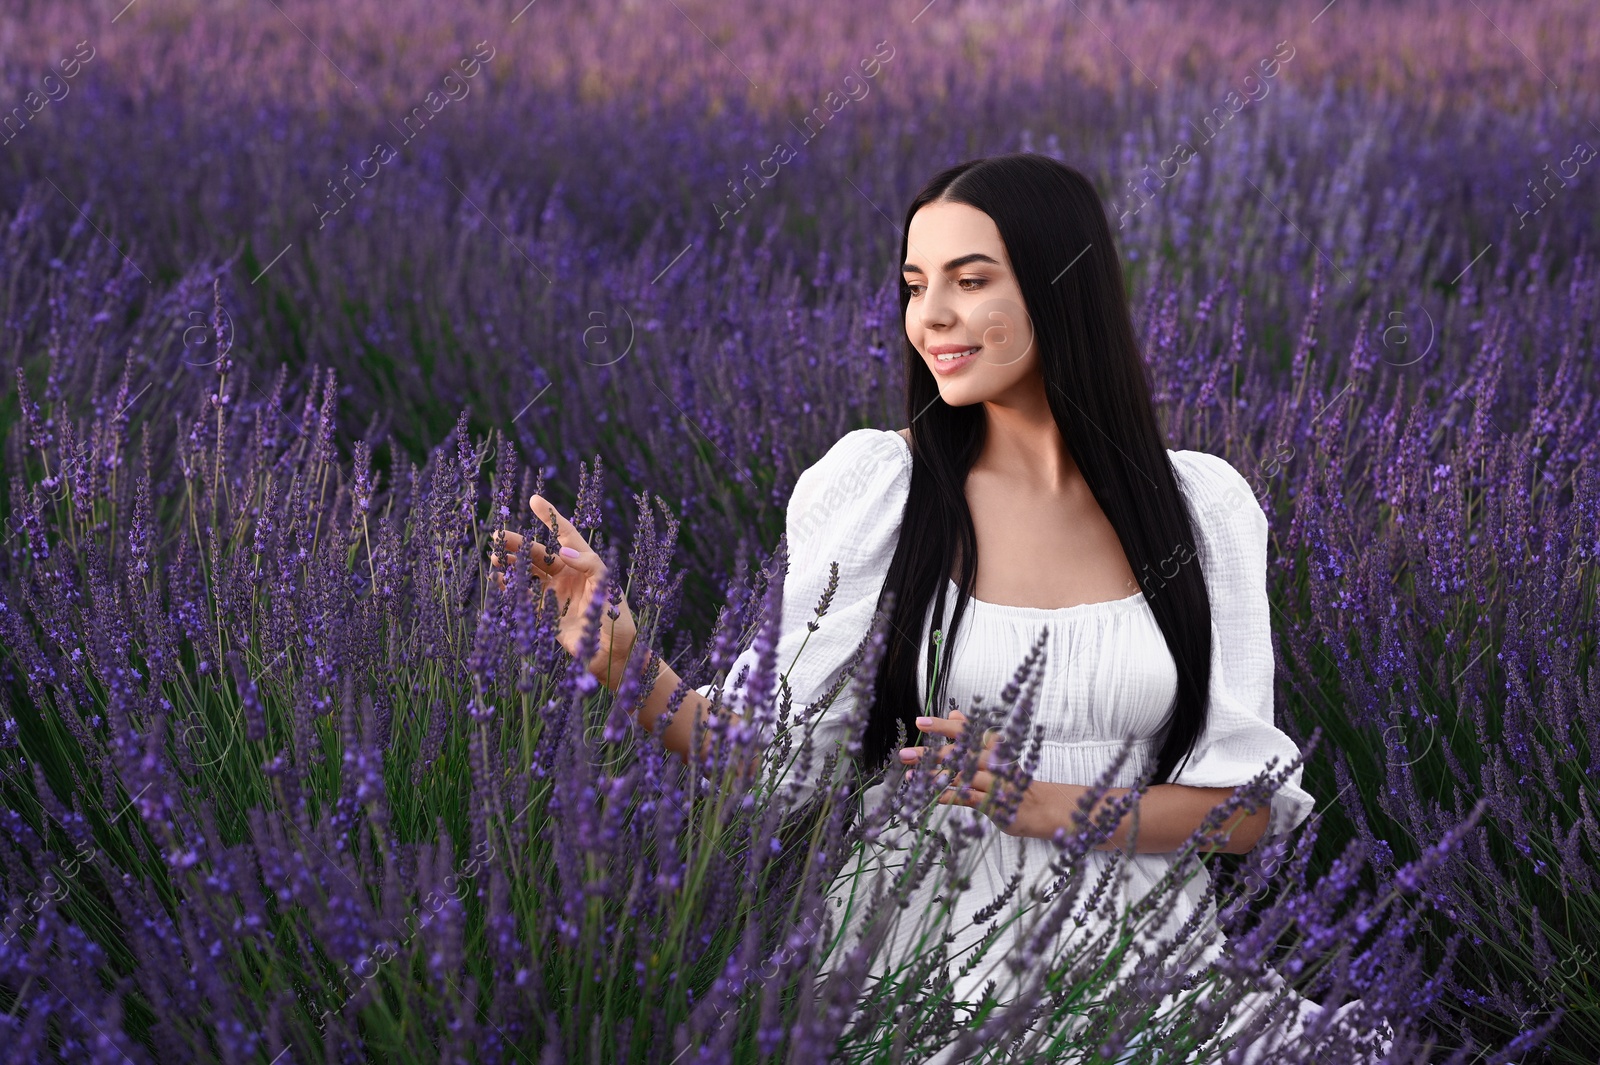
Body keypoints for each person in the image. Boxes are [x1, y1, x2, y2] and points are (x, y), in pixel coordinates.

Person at [490, 152, 1391, 1062]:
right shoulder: (885, 491)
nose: (933, 317)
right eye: (916, 285)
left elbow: (1243, 808)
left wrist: (1049, 805)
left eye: (970, 280)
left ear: (1060, 286)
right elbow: (778, 758)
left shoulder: (1200, 510)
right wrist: (628, 668)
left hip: (1148, 959)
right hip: (926, 955)